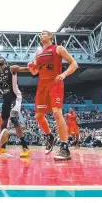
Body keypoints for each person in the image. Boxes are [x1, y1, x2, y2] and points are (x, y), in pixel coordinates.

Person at [13, 31, 79, 161]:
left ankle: (65, 147)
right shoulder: (38, 53)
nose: (41, 35)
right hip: (42, 84)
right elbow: (35, 71)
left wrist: (64, 74)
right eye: (40, 34)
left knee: (57, 112)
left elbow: (74, 64)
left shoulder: (58, 48)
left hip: (55, 82)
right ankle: (49, 136)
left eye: (44, 33)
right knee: (38, 115)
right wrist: (31, 67)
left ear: (50, 36)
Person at [0, 56, 31, 157]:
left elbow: (25, 69)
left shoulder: (11, 68)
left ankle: (25, 147)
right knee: (3, 124)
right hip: (6, 99)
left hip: (15, 97)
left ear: (5, 61)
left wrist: (35, 66)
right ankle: (3, 147)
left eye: (1, 58)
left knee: (13, 118)